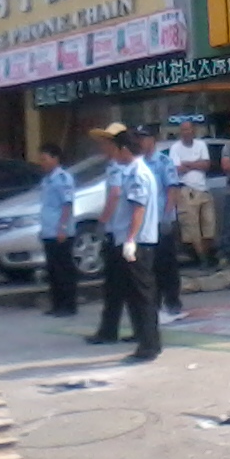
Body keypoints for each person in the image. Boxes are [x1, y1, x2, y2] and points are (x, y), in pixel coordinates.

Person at [88, 131, 161, 363]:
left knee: (143, 295)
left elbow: (138, 208)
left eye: (117, 149)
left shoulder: (138, 173)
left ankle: (149, 345)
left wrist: (130, 239)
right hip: (129, 240)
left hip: (138, 242)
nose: (114, 154)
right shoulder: (131, 171)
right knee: (134, 294)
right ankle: (145, 341)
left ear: (125, 150)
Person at [138, 126, 185, 321]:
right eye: (139, 138)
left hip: (162, 220)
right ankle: (154, 303)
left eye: (144, 138)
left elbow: (172, 190)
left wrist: (167, 216)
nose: (141, 142)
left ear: (153, 140)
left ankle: (173, 301)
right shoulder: (138, 163)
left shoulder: (164, 162)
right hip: (145, 223)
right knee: (150, 266)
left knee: (167, 265)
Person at [88, 121, 129, 338]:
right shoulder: (122, 166)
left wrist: (102, 222)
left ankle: (109, 330)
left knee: (116, 285)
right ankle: (118, 329)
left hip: (118, 233)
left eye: (105, 143)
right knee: (122, 286)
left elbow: (114, 195)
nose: (102, 147)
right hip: (122, 233)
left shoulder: (117, 167)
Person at [169, 120, 219, 268]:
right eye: (183, 130)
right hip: (186, 191)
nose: (186, 132)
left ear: (194, 130)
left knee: (209, 226)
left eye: (189, 129)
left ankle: (208, 255)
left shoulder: (201, 145)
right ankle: (202, 259)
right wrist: (197, 164)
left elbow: (206, 165)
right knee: (193, 230)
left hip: (204, 190)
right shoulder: (175, 148)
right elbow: (177, 169)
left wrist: (188, 164)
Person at [38, 143, 79, 316]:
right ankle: (57, 304)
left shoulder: (63, 179)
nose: (42, 163)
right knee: (53, 270)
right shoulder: (46, 180)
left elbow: (66, 205)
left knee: (64, 270)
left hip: (61, 231)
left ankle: (68, 305)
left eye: (44, 159)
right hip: (48, 230)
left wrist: (62, 227)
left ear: (55, 159)